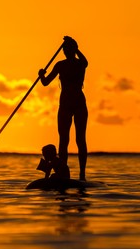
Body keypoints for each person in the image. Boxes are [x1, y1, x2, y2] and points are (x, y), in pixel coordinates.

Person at [38, 36, 88, 181]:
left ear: (74, 49)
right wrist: (42, 75)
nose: (67, 52)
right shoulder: (60, 65)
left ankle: (82, 175)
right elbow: (46, 82)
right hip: (65, 105)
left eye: (69, 49)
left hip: (79, 104)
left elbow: (85, 62)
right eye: (65, 50)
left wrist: (74, 45)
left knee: (80, 139)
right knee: (63, 140)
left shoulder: (81, 64)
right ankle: (62, 173)